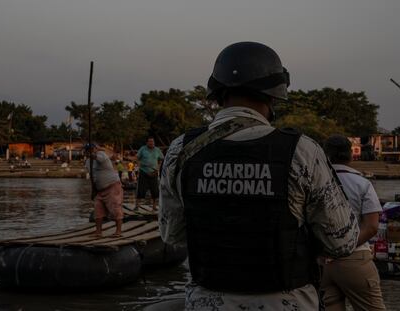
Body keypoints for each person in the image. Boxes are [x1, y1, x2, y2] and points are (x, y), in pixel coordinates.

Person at [159, 42, 359, 310]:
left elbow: (172, 234)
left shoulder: (180, 150)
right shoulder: (302, 151)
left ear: (218, 92)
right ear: (273, 96)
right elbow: (342, 242)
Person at [321, 135, 385, 311]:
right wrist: (343, 247)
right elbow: (372, 227)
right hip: (355, 258)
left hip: (321, 263)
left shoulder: (315, 183)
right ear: (350, 155)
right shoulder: (362, 183)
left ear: (325, 155)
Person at [84, 143, 123, 238]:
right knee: (98, 211)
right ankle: (98, 232)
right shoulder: (88, 162)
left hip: (112, 186)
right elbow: (92, 176)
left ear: (95, 149)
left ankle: (118, 231)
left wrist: (93, 154)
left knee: (115, 209)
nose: (89, 151)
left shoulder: (102, 154)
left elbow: (98, 158)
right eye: (87, 150)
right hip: (99, 189)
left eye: (92, 149)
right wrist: (93, 189)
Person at [135, 137, 164, 211]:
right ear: (147, 142)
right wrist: (139, 166)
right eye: (150, 142)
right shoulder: (143, 149)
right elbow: (137, 158)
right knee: (140, 189)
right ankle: (137, 206)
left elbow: (161, 159)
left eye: (152, 142)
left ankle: (154, 206)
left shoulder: (157, 150)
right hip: (144, 171)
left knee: (155, 190)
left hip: (154, 172)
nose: (151, 143)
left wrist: (158, 168)